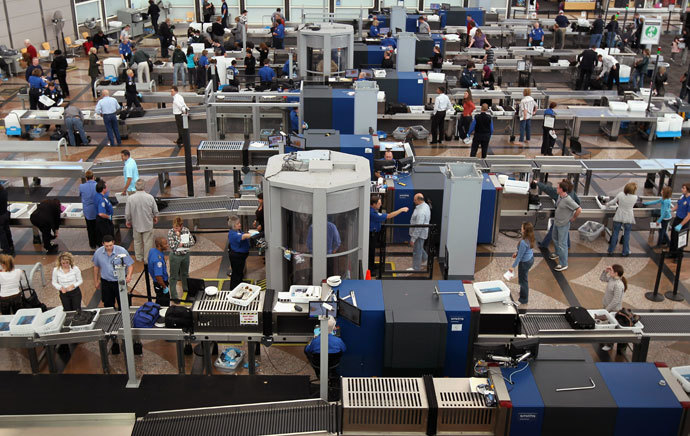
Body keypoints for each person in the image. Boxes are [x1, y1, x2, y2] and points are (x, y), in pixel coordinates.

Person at [93, 235, 133, 310]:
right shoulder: (98, 252)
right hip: (106, 282)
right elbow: (96, 267)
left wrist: (129, 275)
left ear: (113, 242)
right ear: (103, 244)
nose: (109, 248)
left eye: (110, 245)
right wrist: (96, 281)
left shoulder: (122, 250)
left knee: (123, 303)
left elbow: (130, 265)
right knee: (108, 304)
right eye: (106, 246)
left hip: (119, 281)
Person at [369, 195, 409, 271]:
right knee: (371, 252)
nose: (380, 205)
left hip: (374, 234)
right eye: (379, 203)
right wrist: (401, 210)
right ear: (373, 204)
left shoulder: (373, 211)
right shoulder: (372, 213)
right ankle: (371, 269)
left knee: (372, 251)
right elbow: (389, 216)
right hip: (372, 235)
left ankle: (372, 266)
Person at [551, 180, 582, 272]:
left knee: (562, 244)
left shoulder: (568, 200)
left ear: (561, 189)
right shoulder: (560, 197)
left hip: (563, 225)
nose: (556, 189)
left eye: (557, 188)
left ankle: (563, 264)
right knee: (555, 238)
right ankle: (557, 253)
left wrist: (573, 218)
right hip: (557, 222)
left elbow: (579, 209)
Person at [125, 179, 159, 263]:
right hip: (147, 223)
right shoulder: (149, 197)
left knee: (137, 241)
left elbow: (127, 213)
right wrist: (155, 217)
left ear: (135, 187)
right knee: (148, 242)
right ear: (144, 186)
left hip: (136, 224)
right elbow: (155, 210)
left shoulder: (130, 198)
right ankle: (147, 259)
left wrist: (128, 221)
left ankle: (139, 257)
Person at [599, 264, 626, 351]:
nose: (610, 272)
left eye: (611, 271)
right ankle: (604, 340)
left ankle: (609, 344)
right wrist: (605, 271)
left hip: (613, 309)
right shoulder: (612, 278)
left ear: (616, 273)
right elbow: (602, 278)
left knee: (611, 327)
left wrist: (606, 310)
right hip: (607, 307)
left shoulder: (618, 285)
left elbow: (616, 300)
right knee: (606, 324)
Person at [606, 182, 638, 257]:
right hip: (629, 217)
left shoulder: (620, 194)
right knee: (627, 234)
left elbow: (613, 202)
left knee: (615, 233)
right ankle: (625, 251)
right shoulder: (635, 197)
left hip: (619, 215)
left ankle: (611, 250)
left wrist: (607, 204)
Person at [168, 217, 195, 302]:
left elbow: (192, 242)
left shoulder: (186, 230)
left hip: (185, 255)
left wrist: (182, 244)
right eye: (174, 227)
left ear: (181, 226)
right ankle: (174, 296)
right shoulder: (171, 232)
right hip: (175, 256)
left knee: (185, 273)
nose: (175, 229)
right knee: (174, 276)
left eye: (177, 227)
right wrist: (180, 239)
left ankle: (186, 288)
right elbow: (173, 246)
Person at [510, 222, 535, 305]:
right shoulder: (530, 237)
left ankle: (523, 299)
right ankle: (522, 292)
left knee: (523, 281)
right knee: (524, 277)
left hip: (524, 263)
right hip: (530, 259)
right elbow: (524, 251)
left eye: (522, 227)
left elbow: (520, 257)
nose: (521, 228)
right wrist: (517, 253)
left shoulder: (523, 242)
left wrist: (513, 267)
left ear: (524, 230)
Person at [227, 215, 252, 290]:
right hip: (236, 256)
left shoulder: (237, 230)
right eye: (238, 224)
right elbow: (243, 236)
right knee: (236, 274)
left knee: (240, 272)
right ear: (234, 226)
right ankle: (233, 289)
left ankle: (240, 284)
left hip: (240, 256)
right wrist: (254, 235)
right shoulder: (233, 234)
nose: (240, 224)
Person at [409, 193, 431, 271]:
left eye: (415, 200)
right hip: (422, 233)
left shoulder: (421, 211)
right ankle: (426, 259)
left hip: (419, 235)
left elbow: (419, 226)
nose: (413, 201)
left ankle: (416, 268)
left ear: (419, 200)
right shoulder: (425, 206)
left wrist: (413, 239)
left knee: (416, 251)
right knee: (420, 247)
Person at [147, 237, 171, 306]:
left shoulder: (152, 250)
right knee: (164, 303)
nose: (167, 245)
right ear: (159, 246)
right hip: (160, 283)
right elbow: (158, 276)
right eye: (165, 244)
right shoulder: (158, 261)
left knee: (159, 300)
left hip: (158, 283)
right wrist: (164, 287)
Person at [79, 170, 99, 250]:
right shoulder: (97, 185)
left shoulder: (81, 186)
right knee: (97, 227)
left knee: (90, 228)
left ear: (86, 178)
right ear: (93, 177)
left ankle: (92, 244)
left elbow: (80, 195)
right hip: (97, 210)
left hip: (87, 211)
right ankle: (98, 241)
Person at [670, 183, 690, 259]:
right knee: (673, 237)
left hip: (683, 221)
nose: (682, 189)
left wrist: (681, 225)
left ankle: (678, 256)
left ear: (688, 190)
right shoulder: (682, 197)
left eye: (683, 188)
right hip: (677, 218)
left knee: (680, 239)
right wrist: (670, 210)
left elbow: (689, 216)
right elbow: (677, 206)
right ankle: (672, 253)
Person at [94, 180, 114, 245]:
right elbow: (101, 213)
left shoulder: (98, 195)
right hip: (104, 221)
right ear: (103, 189)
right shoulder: (101, 199)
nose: (107, 189)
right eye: (106, 188)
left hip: (102, 220)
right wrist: (109, 217)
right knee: (107, 236)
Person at [0, 185, 14, 256]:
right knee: (7, 230)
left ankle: (6, 250)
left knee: (2, 234)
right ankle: (11, 245)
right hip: (5, 214)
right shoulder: (4, 191)